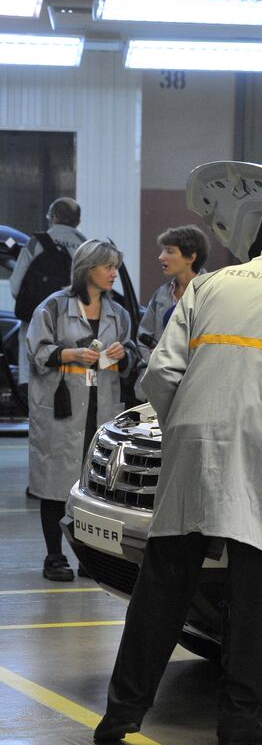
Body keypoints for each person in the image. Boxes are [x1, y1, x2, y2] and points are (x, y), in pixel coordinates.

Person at [94, 220, 262, 745]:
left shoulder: (209, 284)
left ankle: (121, 712)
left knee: (163, 581)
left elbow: (160, 372)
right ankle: (239, 720)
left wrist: (186, 420)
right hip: (259, 446)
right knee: (252, 587)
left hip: (188, 438)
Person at [25, 240, 131, 582]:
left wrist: (123, 355)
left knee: (95, 490)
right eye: (108, 267)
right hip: (63, 410)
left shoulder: (120, 314)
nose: (114, 273)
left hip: (102, 410)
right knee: (54, 484)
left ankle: (90, 559)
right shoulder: (53, 308)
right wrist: (70, 354)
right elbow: (36, 352)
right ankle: (54, 557)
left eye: (115, 267)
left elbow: (132, 358)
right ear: (88, 269)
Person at [10, 197, 87, 398]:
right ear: (78, 221)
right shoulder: (85, 246)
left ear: (54, 216)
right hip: (73, 323)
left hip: (36, 319)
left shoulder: (36, 243)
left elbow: (16, 287)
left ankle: (26, 390)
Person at [135, 225, 209, 366]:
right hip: (161, 380)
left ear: (191, 257)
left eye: (169, 251)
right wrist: (152, 364)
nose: (161, 257)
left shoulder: (211, 292)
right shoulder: (161, 295)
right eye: (163, 251)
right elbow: (143, 338)